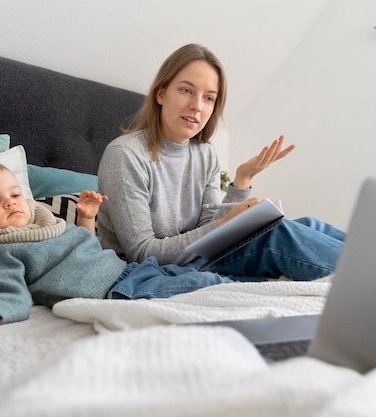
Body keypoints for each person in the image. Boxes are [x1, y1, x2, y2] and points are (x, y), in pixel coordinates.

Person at [97, 43, 345, 281]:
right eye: (186, 90)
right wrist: (226, 223)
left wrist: (243, 180)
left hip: (197, 257)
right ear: (161, 94)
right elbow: (141, 252)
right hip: (152, 270)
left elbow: (210, 228)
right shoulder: (125, 155)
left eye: (209, 98)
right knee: (277, 235)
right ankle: (368, 278)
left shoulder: (205, 153)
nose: (197, 106)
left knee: (308, 225)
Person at [0, 162, 234, 337]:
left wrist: (85, 219)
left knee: (202, 270)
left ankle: (245, 287)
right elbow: (8, 295)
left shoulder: (47, 223)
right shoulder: (0, 253)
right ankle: (245, 296)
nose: (10, 202)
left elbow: (87, 247)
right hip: (120, 290)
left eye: (14, 194)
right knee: (205, 285)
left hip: (131, 269)